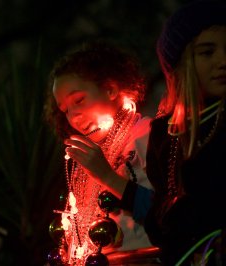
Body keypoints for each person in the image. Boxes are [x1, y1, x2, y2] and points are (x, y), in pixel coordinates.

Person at [44, 40, 157, 265]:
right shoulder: (83, 159)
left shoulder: (148, 135)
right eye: (65, 110)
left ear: (111, 89)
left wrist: (105, 175)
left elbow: (167, 214)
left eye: (79, 99)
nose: (73, 115)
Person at [144, 0, 226, 265]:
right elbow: (160, 217)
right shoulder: (163, 133)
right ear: (181, 64)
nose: (223, 61)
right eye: (207, 52)